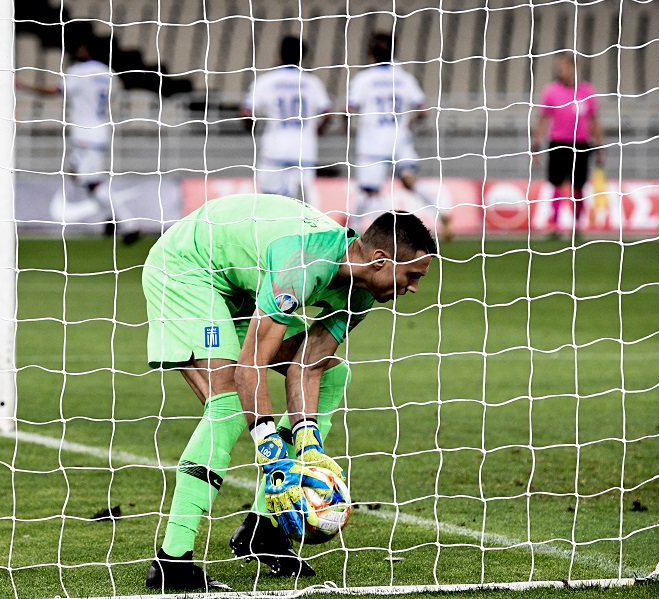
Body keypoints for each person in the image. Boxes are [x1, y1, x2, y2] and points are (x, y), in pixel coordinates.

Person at [142, 194, 436, 591]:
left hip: (243, 284)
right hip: (189, 271)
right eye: (412, 275)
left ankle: (263, 530)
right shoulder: (303, 264)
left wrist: (308, 443)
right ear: (380, 259)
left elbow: (307, 367)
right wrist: (270, 448)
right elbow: (252, 369)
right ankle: (172, 563)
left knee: (332, 373)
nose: (414, 287)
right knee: (229, 402)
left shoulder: (361, 293)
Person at [18, 39, 139, 243]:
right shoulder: (108, 73)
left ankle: (127, 224)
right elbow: (114, 94)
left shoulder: (80, 71)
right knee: (76, 174)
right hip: (99, 131)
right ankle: (110, 217)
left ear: (88, 50)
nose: (78, 50)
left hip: (85, 135)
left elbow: (56, 91)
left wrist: (24, 86)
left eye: (81, 47)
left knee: (93, 183)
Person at [347, 32, 452, 240]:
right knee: (409, 180)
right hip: (399, 139)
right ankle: (442, 213)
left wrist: (348, 125)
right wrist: (410, 121)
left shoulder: (364, 79)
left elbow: (349, 108)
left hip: (373, 143)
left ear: (371, 55)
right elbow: (423, 109)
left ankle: (354, 232)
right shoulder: (404, 78)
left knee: (370, 191)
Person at [240, 36, 333, 207]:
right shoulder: (312, 83)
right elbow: (327, 113)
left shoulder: (266, 81)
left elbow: (247, 112)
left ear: (279, 54)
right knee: (302, 201)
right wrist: (318, 131)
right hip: (304, 149)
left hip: (275, 147)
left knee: (270, 201)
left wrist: (249, 128)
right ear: (302, 56)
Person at [532, 53, 604, 235]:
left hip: (581, 144)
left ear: (573, 67)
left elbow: (594, 121)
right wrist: (536, 146)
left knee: (579, 185)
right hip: (558, 143)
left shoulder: (587, 91)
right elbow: (542, 120)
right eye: (559, 67)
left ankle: (577, 224)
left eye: (563, 67)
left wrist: (599, 147)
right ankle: (555, 224)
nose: (560, 70)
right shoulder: (551, 91)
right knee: (556, 182)